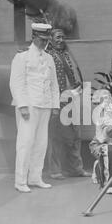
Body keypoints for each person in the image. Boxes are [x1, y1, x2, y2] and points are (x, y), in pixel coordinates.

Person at [9, 23, 59, 192]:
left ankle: (35, 177)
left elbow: (54, 85)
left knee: (41, 143)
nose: (45, 43)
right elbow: (16, 83)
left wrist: (55, 105)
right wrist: (22, 105)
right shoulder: (21, 57)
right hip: (29, 105)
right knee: (25, 143)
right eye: (42, 39)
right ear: (34, 37)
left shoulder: (49, 58)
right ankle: (20, 181)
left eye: (47, 40)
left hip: (44, 105)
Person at [44, 28, 91, 180]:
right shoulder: (47, 56)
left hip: (71, 100)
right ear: (50, 39)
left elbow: (72, 76)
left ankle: (75, 169)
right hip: (56, 102)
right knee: (55, 136)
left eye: (63, 37)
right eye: (57, 37)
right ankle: (55, 170)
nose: (61, 40)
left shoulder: (66, 55)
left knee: (74, 136)